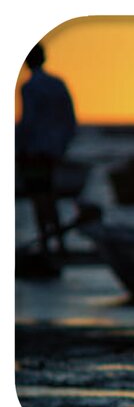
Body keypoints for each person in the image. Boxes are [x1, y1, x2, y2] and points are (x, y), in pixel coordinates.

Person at [16, 43, 77, 258]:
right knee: (49, 195)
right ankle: (59, 243)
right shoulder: (57, 84)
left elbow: (28, 122)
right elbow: (70, 120)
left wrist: (19, 148)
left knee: (39, 198)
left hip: (35, 150)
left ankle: (45, 245)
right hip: (53, 149)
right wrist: (62, 145)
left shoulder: (30, 87)